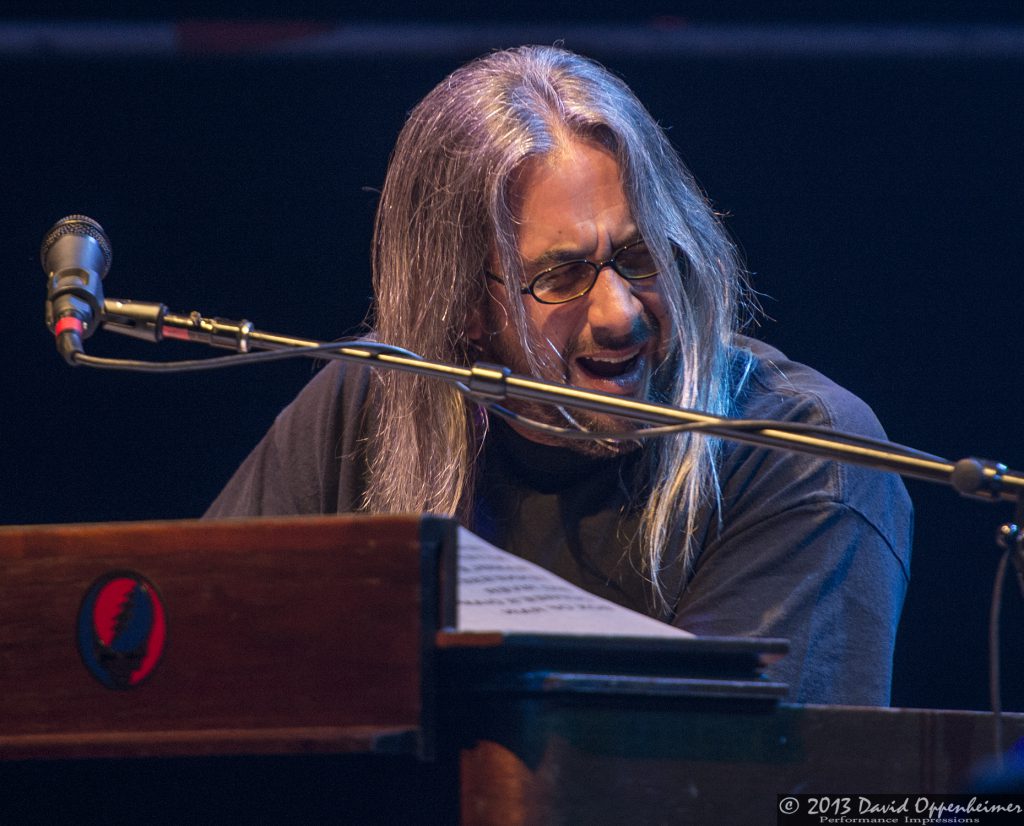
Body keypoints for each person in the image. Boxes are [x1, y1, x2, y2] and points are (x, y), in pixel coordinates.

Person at [206, 45, 912, 705]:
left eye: (641, 256)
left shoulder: (804, 449)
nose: (619, 314)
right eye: (563, 276)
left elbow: (721, 765)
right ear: (464, 305)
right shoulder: (374, 396)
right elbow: (195, 648)